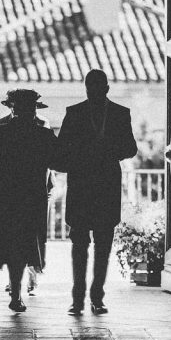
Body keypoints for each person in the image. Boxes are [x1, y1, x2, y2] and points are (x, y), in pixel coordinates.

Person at [52, 69, 138, 315]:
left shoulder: (122, 114)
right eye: (89, 88)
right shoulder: (74, 113)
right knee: (79, 244)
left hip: (105, 187)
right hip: (81, 186)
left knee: (103, 246)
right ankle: (78, 298)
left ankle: (96, 296)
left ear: (106, 89)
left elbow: (130, 148)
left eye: (96, 88)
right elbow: (61, 149)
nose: (93, 92)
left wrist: (107, 151)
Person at [0, 89, 59, 312]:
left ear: (12, 109)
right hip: (32, 199)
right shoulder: (43, 135)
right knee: (23, 246)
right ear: (33, 111)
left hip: (5, 199)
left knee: (13, 245)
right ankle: (16, 293)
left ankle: (16, 293)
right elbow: (61, 161)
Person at [0, 110, 53, 297]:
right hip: (12, 192)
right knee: (13, 238)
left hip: (39, 189)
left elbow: (50, 159)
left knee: (36, 237)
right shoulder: (0, 125)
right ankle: (14, 283)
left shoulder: (43, 125)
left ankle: (33, 275)